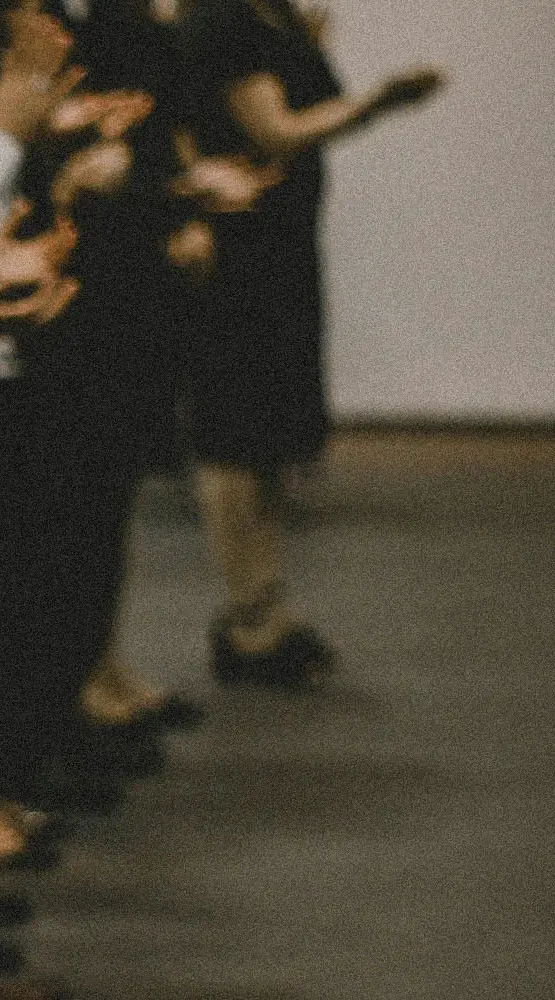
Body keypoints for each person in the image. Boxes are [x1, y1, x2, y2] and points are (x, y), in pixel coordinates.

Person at [177, 0, 441, 686]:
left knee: (263, 440)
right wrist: (381, 100)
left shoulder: (275, 19)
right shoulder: (225, 20)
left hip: (280, 246)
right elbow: (275, 131)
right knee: (234, 438)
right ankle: (250, 616)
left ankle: (263, 612)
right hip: (240, 251)